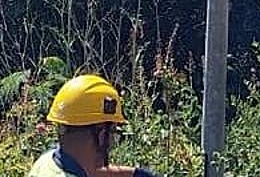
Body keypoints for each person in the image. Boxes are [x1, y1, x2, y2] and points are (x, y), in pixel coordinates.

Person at [28, 74, 163, 177]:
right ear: (102, 134)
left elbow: (95, 172)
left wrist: (136, 174)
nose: (112, 142)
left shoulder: (46, 161)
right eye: (113, 132)